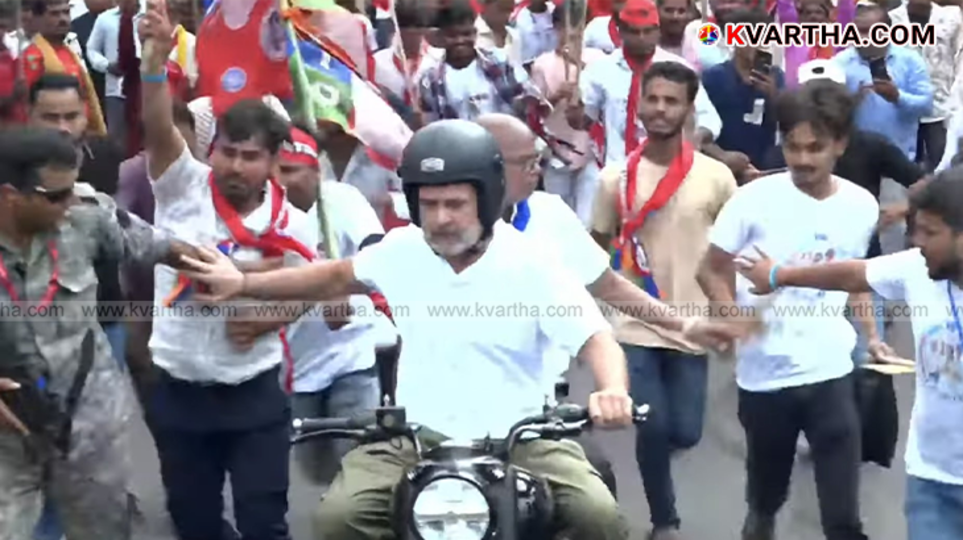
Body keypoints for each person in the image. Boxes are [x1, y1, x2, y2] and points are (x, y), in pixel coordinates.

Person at [179, 119, 636, 540]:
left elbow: (597, 340)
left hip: (522, 440)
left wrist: (612, 390)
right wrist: (243, 284)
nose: (441, 218)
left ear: (488, 198)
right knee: (337, 518)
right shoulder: (401, 250)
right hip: (415, 439)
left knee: (598, 516)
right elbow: (331, 277)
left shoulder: (533, 264)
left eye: (455, 204)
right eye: (429, 205)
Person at [138, 4, 315, 539]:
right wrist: (153, 64)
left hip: (253, 390)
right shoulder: (182, 186)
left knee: (264, 522)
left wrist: (268, 319)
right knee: (194, 522)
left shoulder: (292, 224)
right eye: (227, 152)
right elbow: (157, 128)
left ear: (274, 161)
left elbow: (311, 291)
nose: (235, 166)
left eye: (250, 156)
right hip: (178, 387)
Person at [733, 173, 963, 540]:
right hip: (931, 478)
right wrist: (779, 274)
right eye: (916, 230)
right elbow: (853, 274)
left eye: (930, 233)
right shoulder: (916, 269)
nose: (917, 242)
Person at [697, 81, 878, 540]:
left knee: (843, 517)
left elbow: (853, 277)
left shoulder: (861, 206)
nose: (802, 159)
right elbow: (710, 268)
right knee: (766, 497)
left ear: (840, 144)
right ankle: (760, 519)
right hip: (765, 377)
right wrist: (733, 317)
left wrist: (872, 336)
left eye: (815, 148)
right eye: (793, 146)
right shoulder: (752, 200)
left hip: (831, 371)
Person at [0, 126, 194, 540]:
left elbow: (163, 247)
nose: (70, 202)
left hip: (87, 418)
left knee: (103, 528)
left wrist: (236, 278)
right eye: (55, 196)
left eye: (73, 189)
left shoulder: (87, 217)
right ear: (10, 195)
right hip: (9, 431)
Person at [590, 62, 737, 540]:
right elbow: (595, 248)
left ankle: (657, 453)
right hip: (635, 324)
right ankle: (664, 521)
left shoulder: (716, 178)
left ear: (689, 109)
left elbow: (730, 252)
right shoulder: (615, 178)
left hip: (693, 324)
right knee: (651, 424)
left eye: (671, 101)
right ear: (639, 106)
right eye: (652, 99)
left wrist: (731, 312)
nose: (660, 109)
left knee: (685, 431)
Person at [276, 126, 395, 487]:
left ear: (315, 170)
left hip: (351, 355)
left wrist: (345, 283)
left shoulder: (342, 200)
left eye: (292, 170)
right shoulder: (266, 214)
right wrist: (324, 287)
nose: (283, 181)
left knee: (359, 465)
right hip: (295, 366)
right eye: (277, 170)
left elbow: (378, 253)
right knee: (317, 473)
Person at [568, 0, 722, 167]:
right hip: (616, 169)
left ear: (658, 31)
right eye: (634, 32)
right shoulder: (600, 69)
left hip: (667, 168)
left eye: (648, 31)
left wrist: (694, 139)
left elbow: (709, 119)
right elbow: (583, 121)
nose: (642, 38)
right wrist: (575, 113)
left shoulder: (679, 68)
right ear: (621, 32)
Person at [530, 0, 606, 225]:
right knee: (558, 217)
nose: (572, 33)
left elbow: (604, 102)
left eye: (578, 27)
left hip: (591, 151)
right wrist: (556, 96)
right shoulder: (542, 64)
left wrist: (580, 66)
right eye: (566, 26)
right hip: (557, 152)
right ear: (556, 27)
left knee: (587, 219)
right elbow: (535, 114)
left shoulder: (598, 59)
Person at [835, 2, 933, 162]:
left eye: (869, 31)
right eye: (858, 31)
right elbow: (829, 114)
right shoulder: (839, 64)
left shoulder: (910, 61)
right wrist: (851, 102)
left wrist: (897, 97)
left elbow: (926, 107)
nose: (862, 38)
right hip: (854, 161)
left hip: (900, 160)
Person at [418, 0, 536, 122]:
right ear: (440, 37)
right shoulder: (431, 78)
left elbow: (528, 99)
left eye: (466, 34)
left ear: (475, 33)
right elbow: (431, 124)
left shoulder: (500, 63)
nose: (460, 41)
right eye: (452, 36)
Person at [701, 8, 785, 179]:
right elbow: (700, 130)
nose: (759, 44)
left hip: (764, 170)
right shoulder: (714, 77)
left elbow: (786, 124)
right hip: (721, 168)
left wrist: (774, 96)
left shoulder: (776, 76)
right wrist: (722, 157)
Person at [890, 0, 961, 171]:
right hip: (903, 107)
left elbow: (959, 59)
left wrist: (956, 100)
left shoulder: (951, 18)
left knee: (942, 165)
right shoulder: (891, 19)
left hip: (942, 108)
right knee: (903, 168)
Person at [23, 0, 106, 135]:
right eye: (54, 14)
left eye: (66, 12)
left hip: (80, 132)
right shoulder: (33, 56)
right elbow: (26, 106)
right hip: (51, 136)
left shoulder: (70, 51)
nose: (63, 19)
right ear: (37, 19)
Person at [775, 0, 856, 88]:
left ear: (827, 17)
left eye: (818, 12)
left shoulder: (837, 38)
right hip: (798, 93)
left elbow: (846, 12)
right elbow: (785, 9)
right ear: (801, 18)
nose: (813, 16)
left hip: (832, 92)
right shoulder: (793, 38)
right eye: (808, 13)